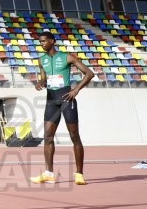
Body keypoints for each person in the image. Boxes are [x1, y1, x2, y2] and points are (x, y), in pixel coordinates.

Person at [30, 31, 94, 185]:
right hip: (51, 101)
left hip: (67, 99)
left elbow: (89, 73)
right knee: (48, 136)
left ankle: (79, 174)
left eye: (44, 41)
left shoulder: (67, 57)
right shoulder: (41, 60)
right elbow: (44, 78)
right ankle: (49, 173)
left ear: (52, 41)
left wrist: (76, 89)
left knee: (74, 135)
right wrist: (40, 83)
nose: (42, 44)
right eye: (40, 42)